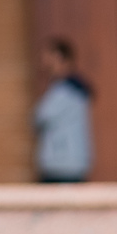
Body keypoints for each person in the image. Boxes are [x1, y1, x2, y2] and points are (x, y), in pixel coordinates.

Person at [33, 36, 92, 183]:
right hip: (62, 163)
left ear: (58, 57)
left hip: (64, 164)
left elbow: (41, 116)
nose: (44, 61)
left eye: (48, 56)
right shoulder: (61, 88)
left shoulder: (67, 91)